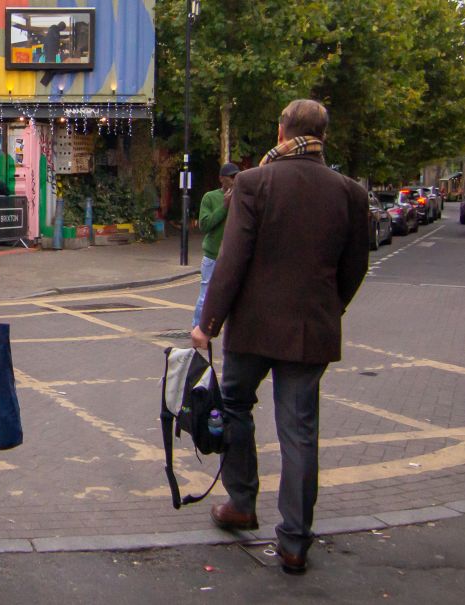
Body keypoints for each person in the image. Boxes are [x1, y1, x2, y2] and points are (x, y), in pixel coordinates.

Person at [191, 100, 369, 575]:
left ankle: (242, 502)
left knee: (232, 403)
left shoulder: (255, 183)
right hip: (311, 329)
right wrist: (330, 308)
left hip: (253, 327)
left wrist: (208, 324)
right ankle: (293, 541)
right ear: (322, 136)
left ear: (282, 130)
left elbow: (232, 262)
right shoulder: (349, 192)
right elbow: (356, 266)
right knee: (299, 429)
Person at [192, 162, 239, 327]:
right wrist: (224, 207)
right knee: (206, 296)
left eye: (236, 176)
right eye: (230, 177)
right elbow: (204, 225)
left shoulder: (242, 197)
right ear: (221, 179)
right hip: (213, 256)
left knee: (236, 299)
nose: (234, 180)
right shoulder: (210, 197)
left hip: (234, 256)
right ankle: (197, 329)